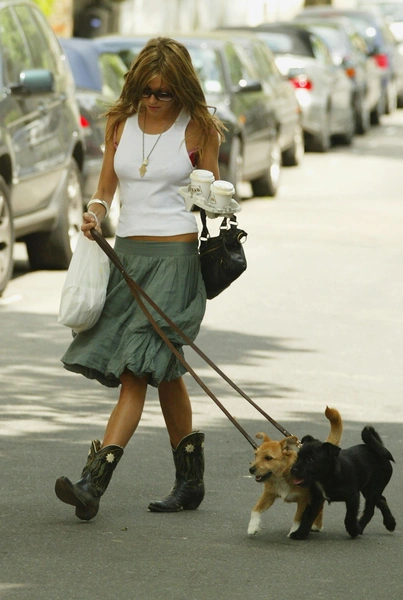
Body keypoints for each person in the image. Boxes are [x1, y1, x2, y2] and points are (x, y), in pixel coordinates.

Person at [55, 37, 226, 521]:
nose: (153, 100)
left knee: (135, 370)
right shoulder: (119, 124)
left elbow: (211, 197)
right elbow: (105, 189)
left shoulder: (199, 130)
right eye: (147, 91)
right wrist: (93, 213)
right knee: (165, 371)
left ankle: (93, 482)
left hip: (174, 261)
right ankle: (190, 481)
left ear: (182, 89)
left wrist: (216, 197)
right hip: (127, 258)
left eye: (164, 92)